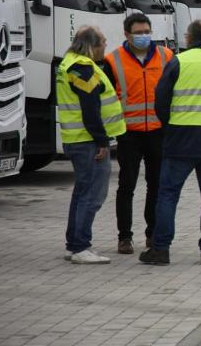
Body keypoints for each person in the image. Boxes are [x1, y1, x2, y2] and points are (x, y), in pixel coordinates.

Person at [139, 19, 201, 266]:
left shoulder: (178, 61)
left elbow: (160, 100)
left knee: (168, 194)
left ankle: (160, 249)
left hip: (180, 139)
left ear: (189, 38)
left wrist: (170, 124)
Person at [102, 13, 174, 255]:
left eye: (147, 32)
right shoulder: (113, 60)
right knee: (126, 186)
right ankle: (124, 237)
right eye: (138, 32)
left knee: (156, 185)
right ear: (126, 34)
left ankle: (153, 234)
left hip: (157, 132)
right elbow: (107, 99)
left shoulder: (166, 56)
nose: (143, 36)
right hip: (128, 134)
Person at [59, 26, 126, 264]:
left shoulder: (70, 62)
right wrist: (102, 140)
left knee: (81, 192)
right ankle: (80, 247)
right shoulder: (83, 69)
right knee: (92, 195)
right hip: (87, 141)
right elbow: (90, 108)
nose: (105, 48)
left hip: (78, 139)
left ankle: (73, 244)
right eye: (103, 44)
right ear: (92, 46)